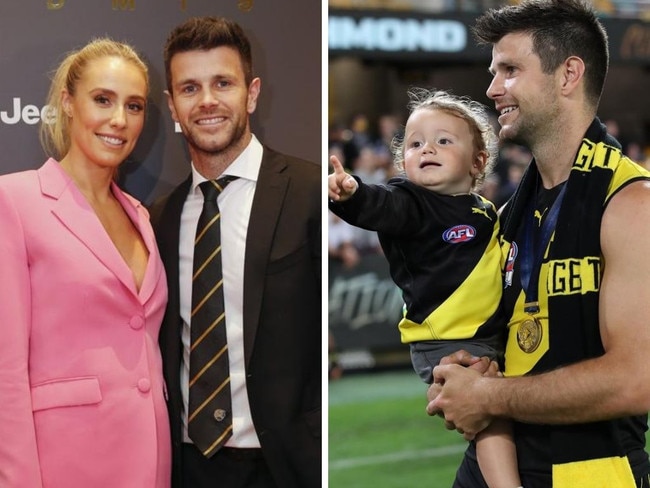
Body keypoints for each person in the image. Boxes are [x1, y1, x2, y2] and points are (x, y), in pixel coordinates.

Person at [427, 1, 650, 487]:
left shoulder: (632, 204)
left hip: (590, 472)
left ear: (568, 74)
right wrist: (465, 370)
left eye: (509, 70)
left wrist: (488, 397)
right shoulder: (508, 215)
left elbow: (637, 380)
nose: (491, 89)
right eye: (493, 71)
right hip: (493, 468)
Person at [149, 16, 321, 488]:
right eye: (190, 88)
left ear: (251, 92)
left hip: (287, 464)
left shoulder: (309, 192)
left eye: (222, 83)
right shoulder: (158, 218)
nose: (207, 101)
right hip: (188, 465)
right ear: (172, 105)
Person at [329, 88, 521, 488]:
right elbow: (380, 204)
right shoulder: (410, 203)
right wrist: (352, 194)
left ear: (478, 161)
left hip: (491, 333)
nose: (426, 148)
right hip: (447, 341)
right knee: (491, 414)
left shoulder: (485, 211)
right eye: (415, 143)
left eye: (443, 141)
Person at [0, 38, 170, 487]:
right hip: (64, 462)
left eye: (134, 106)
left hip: (151, 459)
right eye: (103, 100)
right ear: (68, 103)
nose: (119, 120)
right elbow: (6, 370)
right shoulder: (14, 201)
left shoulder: (140, 216)